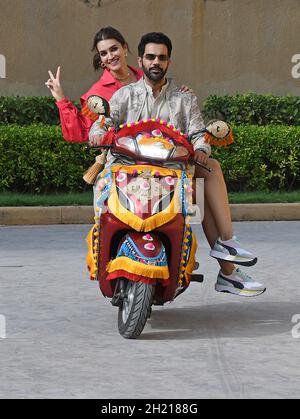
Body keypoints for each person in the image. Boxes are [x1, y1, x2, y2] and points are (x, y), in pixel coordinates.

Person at [89, 32, 266, 297]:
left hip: (171, 173)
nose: (155, 62)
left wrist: (203, 148)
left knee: (209, 171)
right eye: (150, 57)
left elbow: (197, 133)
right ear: (140, 60)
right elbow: (105, 122)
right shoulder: (124, 96)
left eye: (161, 57)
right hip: (127, 170)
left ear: (169, 62)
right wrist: (98, 130)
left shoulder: (184, 98)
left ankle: (228, 249)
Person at [45, 26, 191, 143]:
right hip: (124, 158)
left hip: (164, 149)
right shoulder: (98, 92)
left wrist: (180, 93)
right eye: (104, 53)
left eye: (114, 49)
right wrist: (61, 99)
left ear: (125, 48)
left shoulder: (146, 76)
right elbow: (81, 131)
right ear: (101, 59)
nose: (110, 56)